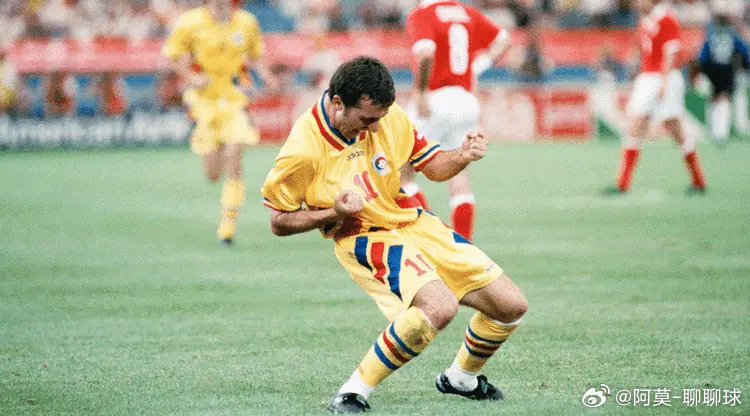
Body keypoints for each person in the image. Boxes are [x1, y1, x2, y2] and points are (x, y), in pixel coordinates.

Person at [261, 56, 527, 414]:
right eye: (367, 120)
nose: (376, 127)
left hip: (411, 220)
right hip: (363, 235)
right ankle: (352, 391)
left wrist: (462, 155)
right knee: (439, 307)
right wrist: (334, 213)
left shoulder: (388, 116)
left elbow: (432, 165)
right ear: (338, 103)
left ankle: (461, 378)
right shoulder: (303, 150)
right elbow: (279, 221)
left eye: (381, 117)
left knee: (510, 306)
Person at [162, 0, 277, 246]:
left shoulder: (246, 22)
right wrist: (191, 77)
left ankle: (227, 227)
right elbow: (173, 56)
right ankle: (218, 175)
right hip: (203, 102)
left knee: (234, 159)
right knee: (213, 174)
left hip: (234, 98)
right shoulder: (190, 22)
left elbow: (256, 56)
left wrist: (267, 77)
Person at [400, 0, 511, 242]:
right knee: (460, 179)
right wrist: (477, 66)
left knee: (402, 173)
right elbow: (504, 39)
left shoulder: (423, 13)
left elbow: (426, 53)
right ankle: (463, 247)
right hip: (465, 99)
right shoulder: (466, 13)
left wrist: (421, 91)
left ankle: (431, 237)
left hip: (434, 98)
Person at [612, 0, 707, 194]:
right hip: (647, 76)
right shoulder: (645, 20)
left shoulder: (667, 19)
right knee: (635, 124)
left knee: (674, 126)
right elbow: (644, 48)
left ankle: (698, 179)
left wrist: (664, 81)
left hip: (664, 76)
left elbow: (671, 52)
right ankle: (622, 183)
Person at [697, 7, 750, 143]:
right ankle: (721, 132)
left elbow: (702, 54)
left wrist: (703, 70)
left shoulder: (711, 34)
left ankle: (714, 129)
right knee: (725, 98)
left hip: (712, 68)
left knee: (714, 99)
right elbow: (744, 51)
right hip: (726, 68)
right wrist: (746, 67)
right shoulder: (732, 34)